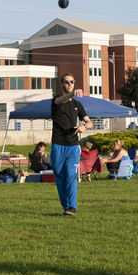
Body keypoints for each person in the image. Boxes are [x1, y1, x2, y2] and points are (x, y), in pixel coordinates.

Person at [51, 73, 93, 216]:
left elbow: (89, 122)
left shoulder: (77, 104)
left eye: (72, 82)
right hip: (58, 146)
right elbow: (62, 99)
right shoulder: (56, 100)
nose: (70, 84)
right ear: (61, 84)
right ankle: (66, 206)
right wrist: (71, 94)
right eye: (67, 82)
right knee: (60, 177)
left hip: (73, 147)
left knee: (70, 175)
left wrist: (84, 126)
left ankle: (72, 207)